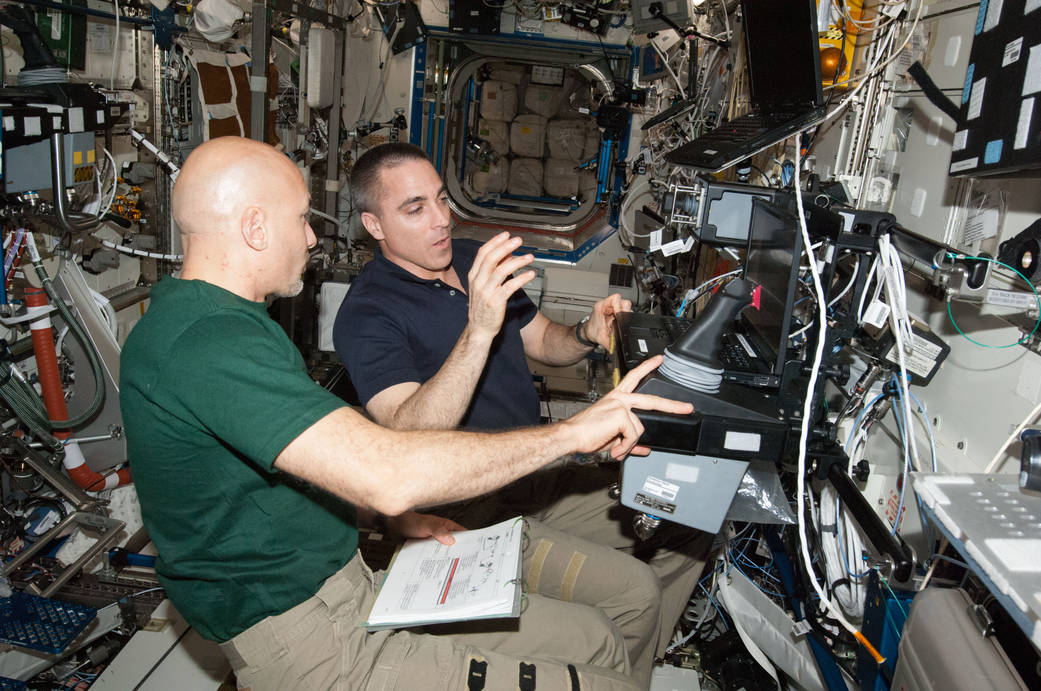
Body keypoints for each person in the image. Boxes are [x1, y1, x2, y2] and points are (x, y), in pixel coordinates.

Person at [119, 136, 695, 691]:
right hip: (315, 643)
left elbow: (296, 465)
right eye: (301, 219)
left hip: (351, 584)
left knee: (598, 638)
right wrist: (572, 432)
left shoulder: (234, 324)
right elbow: (391, 464)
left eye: (441, 199)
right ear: (254, 227)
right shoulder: (205, 342)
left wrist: (386, 519)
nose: (313, 240)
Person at [334, 143, 713, 667]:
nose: (442, 219)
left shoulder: (470, 259)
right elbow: (407, 431)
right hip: (470, 508)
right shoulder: (368, 312)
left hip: (539, 470)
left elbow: (541, 341)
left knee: (691, 522)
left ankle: (634, 665)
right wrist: (479, 327)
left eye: (443, 199)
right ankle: (612, 665)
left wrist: (587, 331)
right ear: (375, 227)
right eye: (415, 209)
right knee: (634, 594)